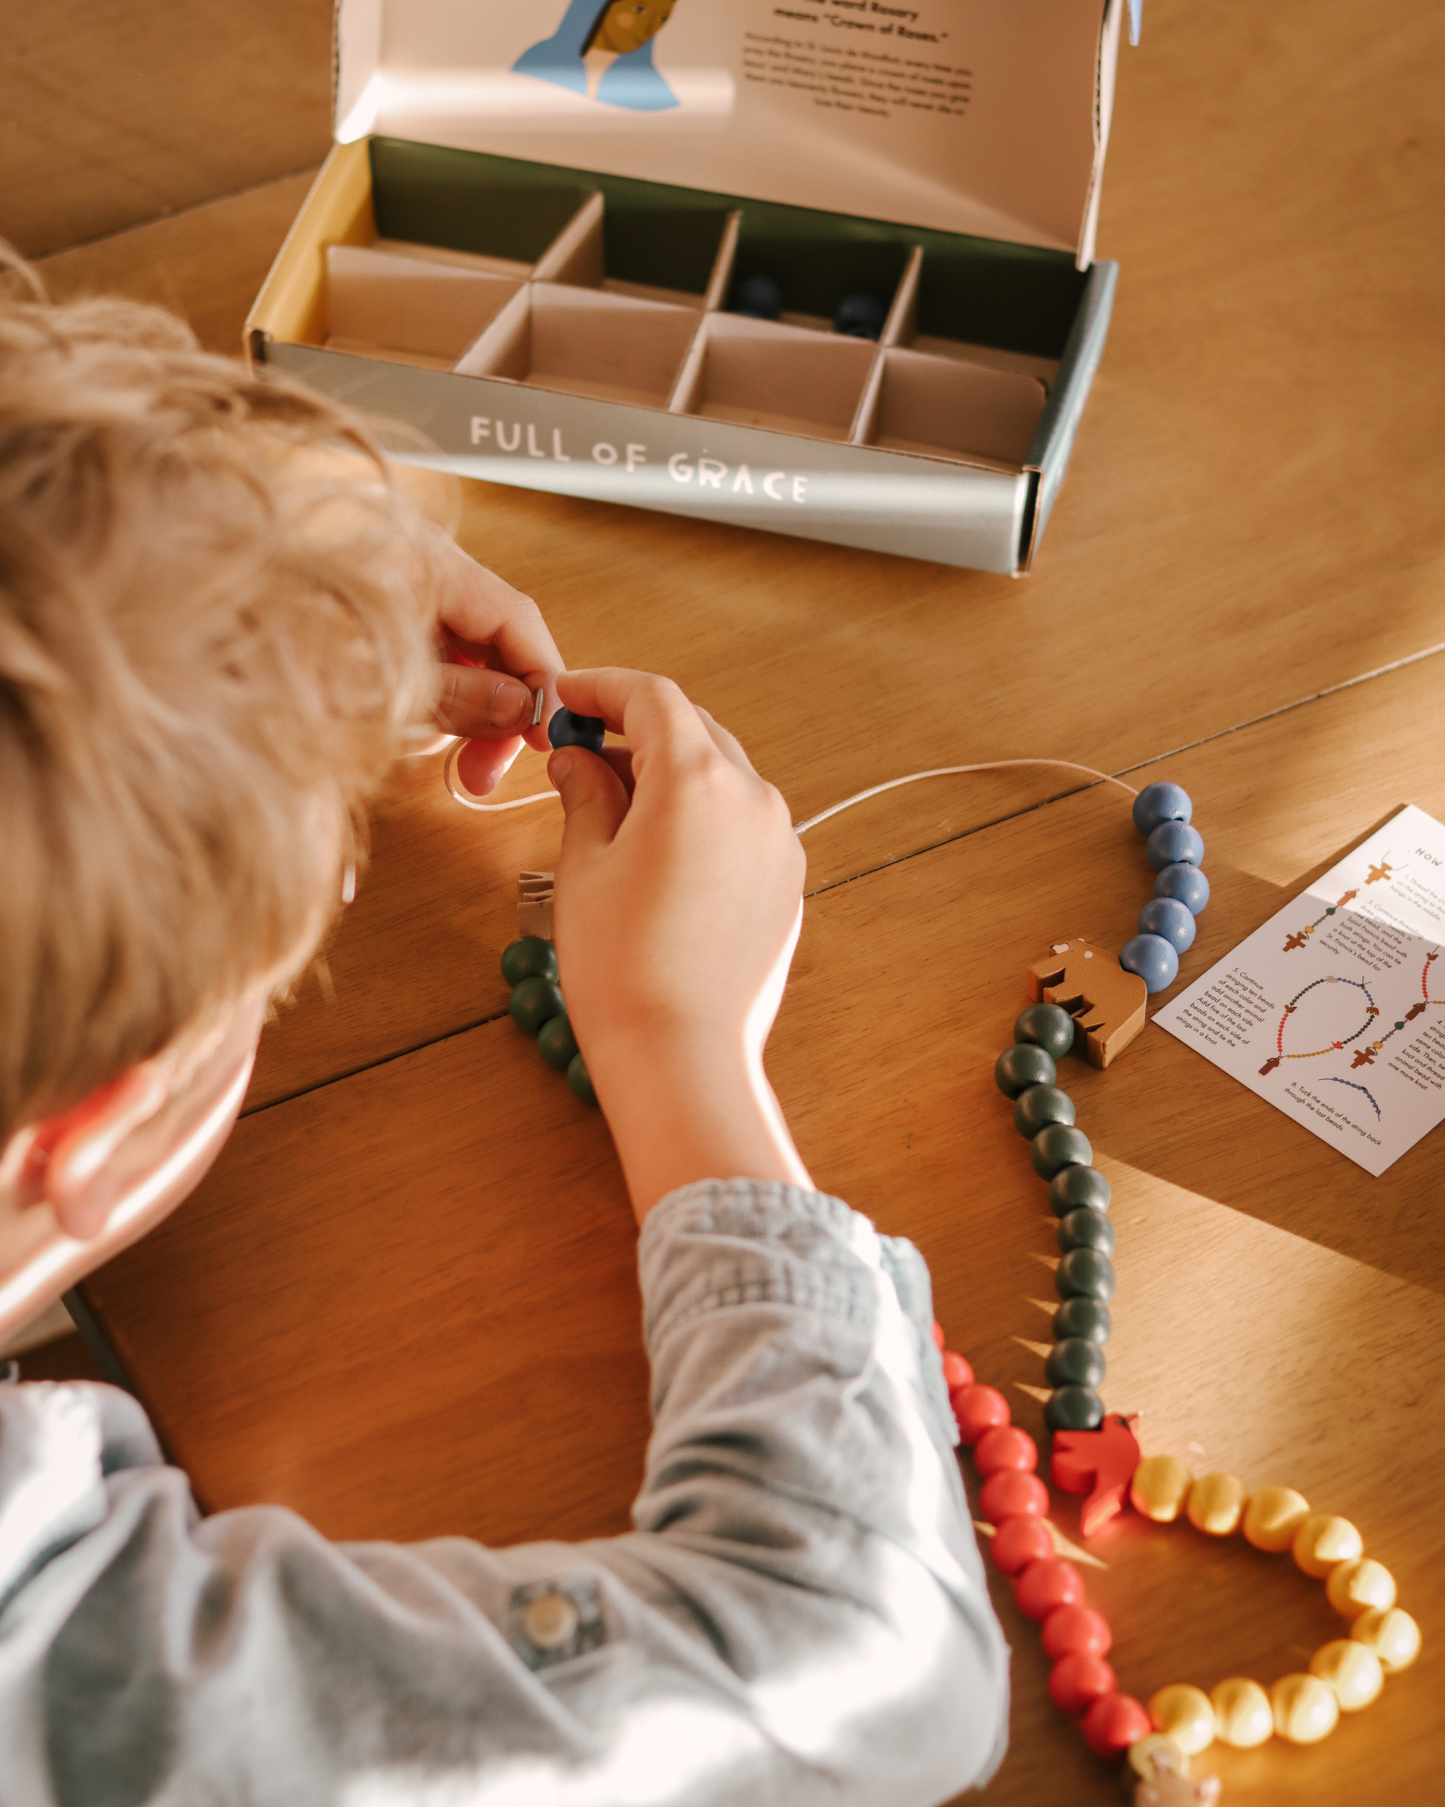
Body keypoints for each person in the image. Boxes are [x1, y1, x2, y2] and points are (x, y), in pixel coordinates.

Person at [0, 274, 1008, 1804]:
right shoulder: (69, 1685)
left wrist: (191, 555)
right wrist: (678, 1041)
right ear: (97, 1130)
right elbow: (859, 1653)